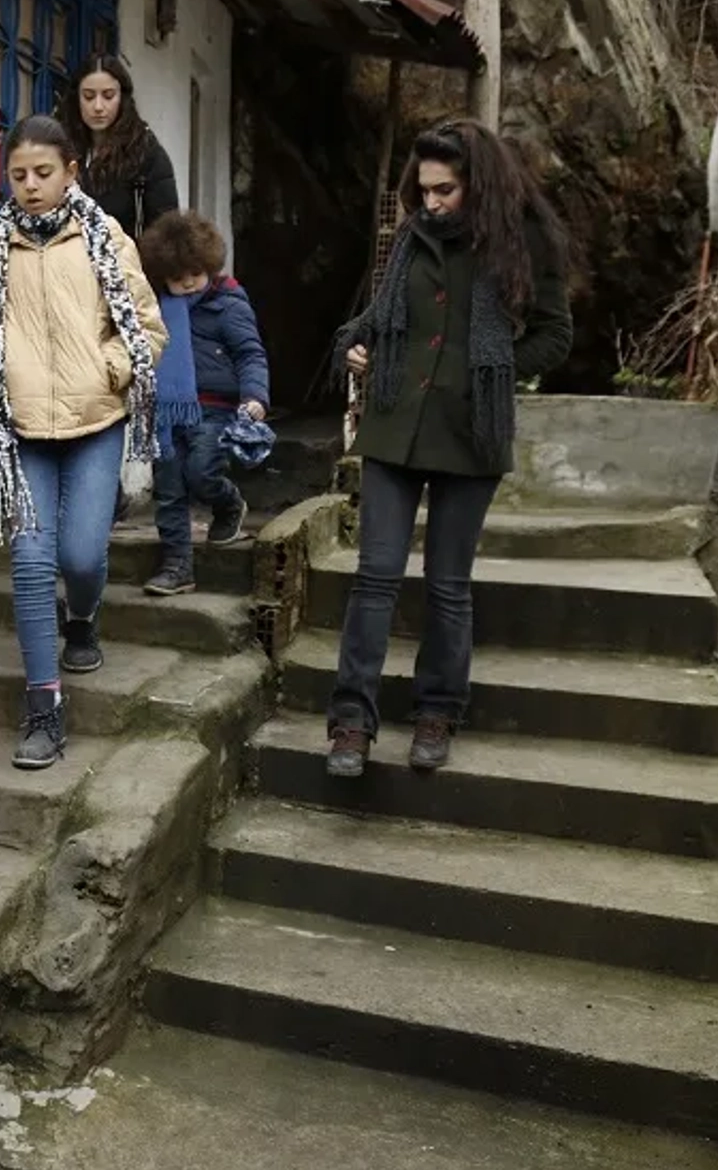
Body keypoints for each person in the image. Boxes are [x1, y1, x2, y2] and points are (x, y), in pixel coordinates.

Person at [328, 119, 573, 777]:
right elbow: (378, 317)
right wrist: (356, 344)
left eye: (446, 189)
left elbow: (556, 335)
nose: (431, 202)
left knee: (447, 586)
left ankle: (437, 711)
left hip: (472, 435)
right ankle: (351, 722)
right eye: (425, 189)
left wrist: (488, 375)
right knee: (374, 577)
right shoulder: (411, 238)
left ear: (479, 184)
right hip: (394, 427)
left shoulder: (525, 242)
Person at [0, 115, 168, 772]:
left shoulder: (107, 239)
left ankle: (83, 616)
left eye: (42, 173)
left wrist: (113, 367)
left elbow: (146, 328)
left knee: (80, 555)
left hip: (94, 422)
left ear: (72, 171)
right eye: (17, 175)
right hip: (21, 428)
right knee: (29, 562)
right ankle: (45, 708)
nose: (27, 186)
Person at [137, 210, 270, 597]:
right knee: (169, 489)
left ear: (209, 265)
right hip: (167, 413)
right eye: (177, 280)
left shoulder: (228, 305)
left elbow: (250, 354)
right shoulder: (157, 310)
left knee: (201, 471)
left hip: (216, 410)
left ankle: (227, 503)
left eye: (195, 274)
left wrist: (255, 397)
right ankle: (177, 565)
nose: (188, 284)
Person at [60, 54, 179, 241]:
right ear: (77, 98)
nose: (98, 106)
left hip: (125, 266)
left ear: (122, 97)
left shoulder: (145, 153)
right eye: (88, 96)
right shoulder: (60, 148)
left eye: (108, 96)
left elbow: (165, 230)